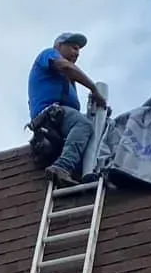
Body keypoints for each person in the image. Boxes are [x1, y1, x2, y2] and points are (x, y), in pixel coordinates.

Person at [27, 32, 107, 184]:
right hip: (49, 116)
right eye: (73, 47)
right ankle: (61, 167)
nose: (76, 53)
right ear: (59, 46)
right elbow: (66, 67)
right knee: (83, 124)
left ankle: (87, 175)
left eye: (78, 50)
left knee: (89, 130)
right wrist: (93, 89)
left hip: (60, 121)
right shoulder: (48, 54)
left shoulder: (67, 82)